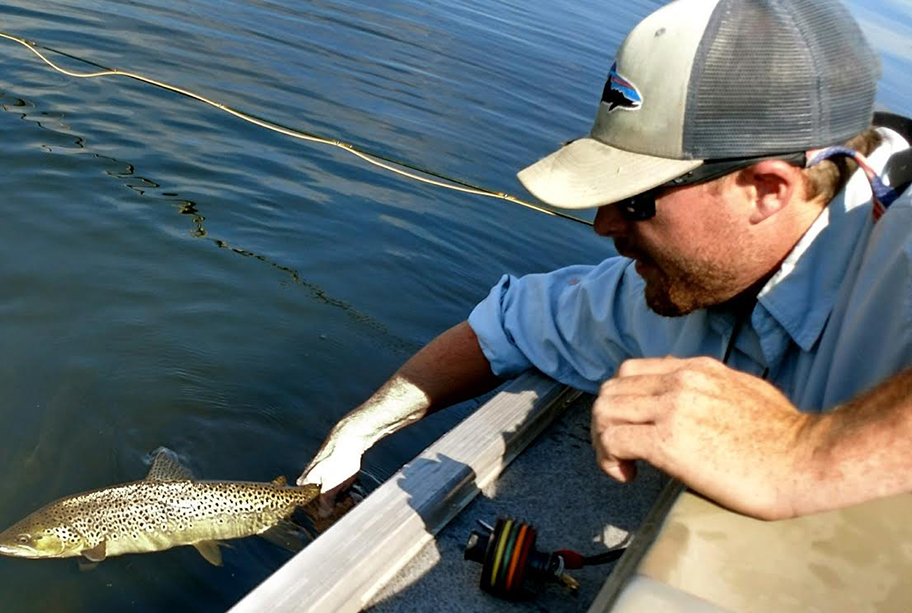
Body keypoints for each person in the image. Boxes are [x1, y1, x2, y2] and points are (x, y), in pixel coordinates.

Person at [298, 0, 912, 521]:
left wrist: (803, 452)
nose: (603, 224)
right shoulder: (676, 286)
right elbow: (509, 326)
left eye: (636, 200)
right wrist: (358, 433)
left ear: (766, 189)